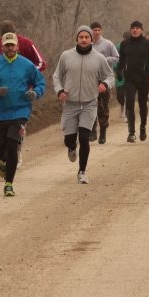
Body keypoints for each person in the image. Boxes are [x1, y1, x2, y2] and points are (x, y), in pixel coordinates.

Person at [0, 32, 45, 197]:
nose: (10, 48)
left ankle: (9, 184)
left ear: (17, 47)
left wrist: (35, 93)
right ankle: (2, 161)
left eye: (13, 45)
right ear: (2, 47)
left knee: (12, 147)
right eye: (7, 45)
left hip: (20, 111)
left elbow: (40, 83)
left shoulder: (27, 65)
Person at [53, 25, 114, 184]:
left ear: (91, 39)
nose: (84, 40)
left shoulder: (99, 58)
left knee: (85, 137)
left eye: (87, 37)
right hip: (70, 104)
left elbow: (109, 76)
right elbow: (56, 76)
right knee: (69, 139)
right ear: (77, 39)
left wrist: (105, 85)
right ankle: (72, 147)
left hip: (89, 103)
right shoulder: (66, 56)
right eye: (81, 37)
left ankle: (82, 171)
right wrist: (59, 90)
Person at [0, 20, 47, 168]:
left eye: (11, 38)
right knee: (1, 144)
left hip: (23, 93)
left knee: (16, 130)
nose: (8, 45)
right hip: (1, 99)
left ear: (16, 34)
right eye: (4, 39)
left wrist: (25, 73)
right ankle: (5, 157)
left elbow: (41, 63)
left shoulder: (26, 43)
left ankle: (17, 150)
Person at [116, 21, 149, 142]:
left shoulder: (147, 44)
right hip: (129, 78)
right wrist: (119, 73)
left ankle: (143, 127)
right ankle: (131, 132)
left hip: (143, 78)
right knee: (130, 104)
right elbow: (121, 61)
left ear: (141, 30)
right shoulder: (124, 44)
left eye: (137, 28)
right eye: (133, 28)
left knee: (142, 105)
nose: (135, 30)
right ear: (130, 30)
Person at [88, 22, 119, 144]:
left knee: (103, 107)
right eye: (94, 30)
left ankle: (103, 132)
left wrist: (104, 59)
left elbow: (117, 58)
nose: (96, 32)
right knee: (90, 106)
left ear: (101, 31)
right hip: (90, 80)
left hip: (105, 79)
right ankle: (92, 131)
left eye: (98, 30)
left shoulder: (108, 44)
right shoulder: (87, 44)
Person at [114, 31, 131, 121]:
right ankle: (122, 105)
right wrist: (117, 70)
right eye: (126, 39)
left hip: (130, 75)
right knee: (120, 96)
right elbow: (115, 59)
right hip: (120, 73)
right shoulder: (117, 47)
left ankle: (127, 115)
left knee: (129, 94)